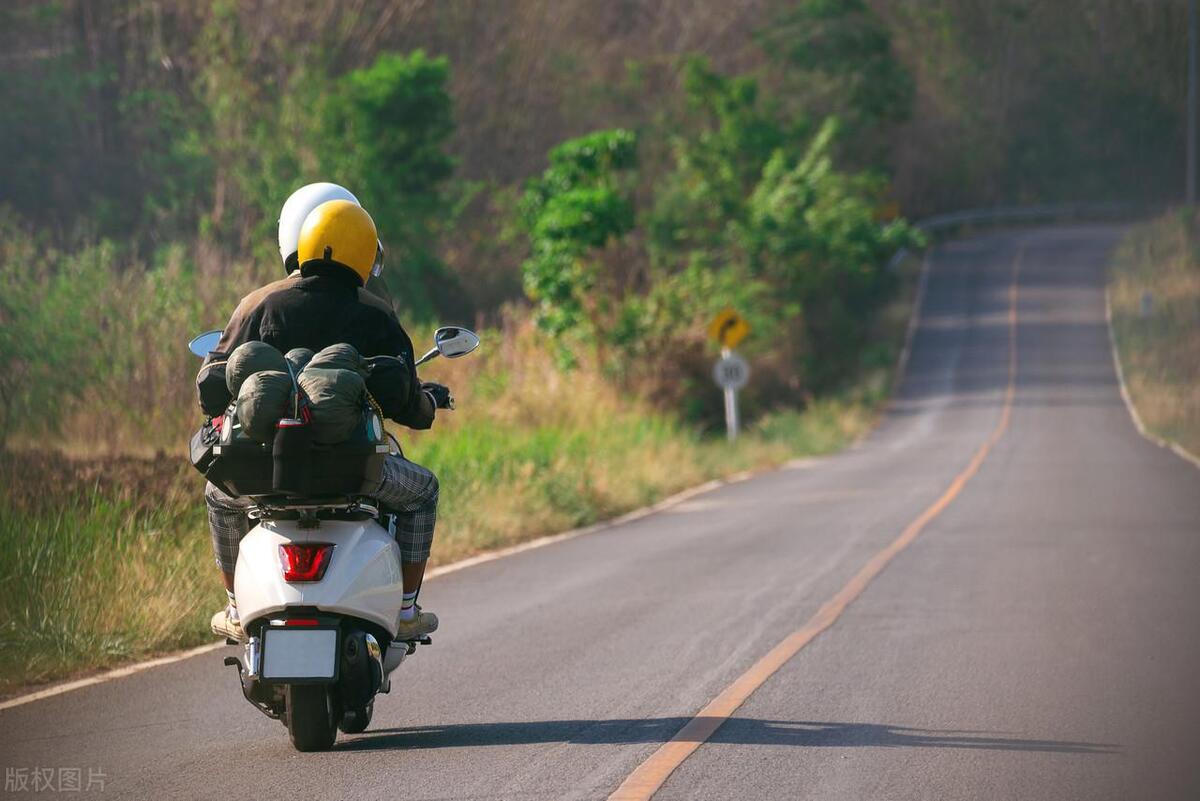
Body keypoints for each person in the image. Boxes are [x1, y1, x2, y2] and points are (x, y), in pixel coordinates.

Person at [196, 198, 449, 643]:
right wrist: (427, 403)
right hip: (354, 471)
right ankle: (406, 610)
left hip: (265, 470)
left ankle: (236, 609)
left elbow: (210, 386)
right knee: (423, 492)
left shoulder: (257, 303)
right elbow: (408, 402)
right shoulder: (375, 312)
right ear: (366, 254)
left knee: (218, 496)